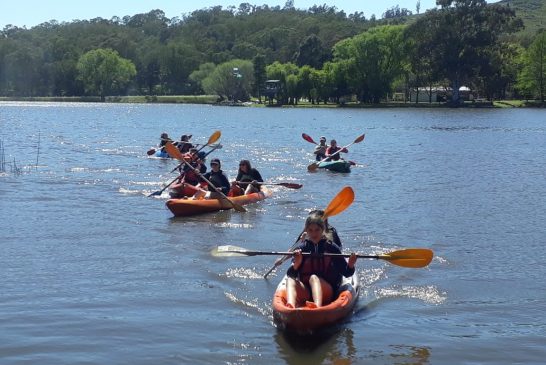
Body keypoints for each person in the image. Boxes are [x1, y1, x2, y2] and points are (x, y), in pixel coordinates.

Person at [286, 215, 357, 308]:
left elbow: (347, 273)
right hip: (307, 291)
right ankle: (290, 305)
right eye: (310, 230)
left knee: (314, 278)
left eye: (317, 230)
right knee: (290, 280)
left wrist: (351, 263)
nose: (314, 233)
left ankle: (316, 306)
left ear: (322, 229)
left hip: (327, 290)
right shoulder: (302, 248)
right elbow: (291, 274)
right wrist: (297, 263)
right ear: (306, 231)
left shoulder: (331, 248)